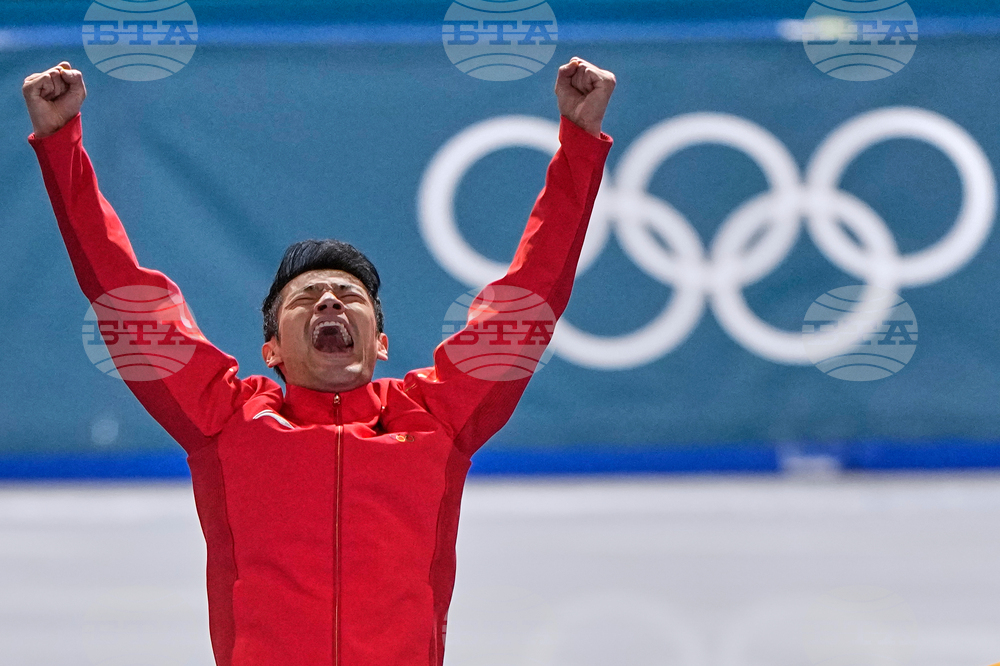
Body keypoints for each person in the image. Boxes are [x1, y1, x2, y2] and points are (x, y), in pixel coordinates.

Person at [23, 56, 615, 666]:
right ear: (271, 350)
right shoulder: (226, 418)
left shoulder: (436, 415)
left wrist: (579, 140)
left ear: (380, 343)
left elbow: (530, 298)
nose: (329, 299)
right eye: (305, 298)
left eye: (349, 296)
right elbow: (126, 295)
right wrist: (61, 142)